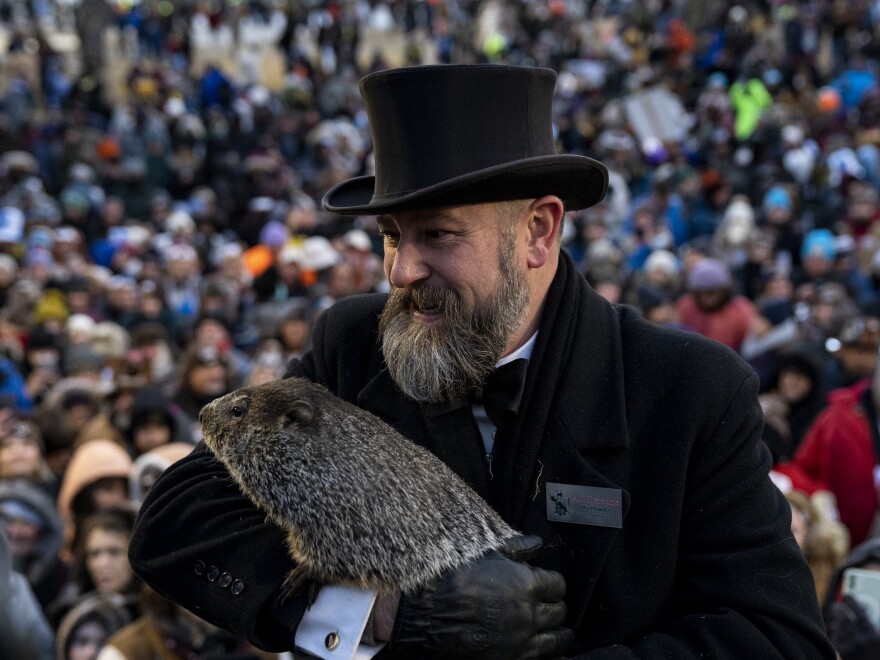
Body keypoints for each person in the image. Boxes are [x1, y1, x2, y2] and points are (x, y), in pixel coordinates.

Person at [130, 65, 835, 658]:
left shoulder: (688, 390)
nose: (402, 269)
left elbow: (775, 636)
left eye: (437, 234)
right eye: (390, 235)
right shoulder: (353, 347)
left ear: (537, 230)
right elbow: (178, 522)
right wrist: (387, 613)